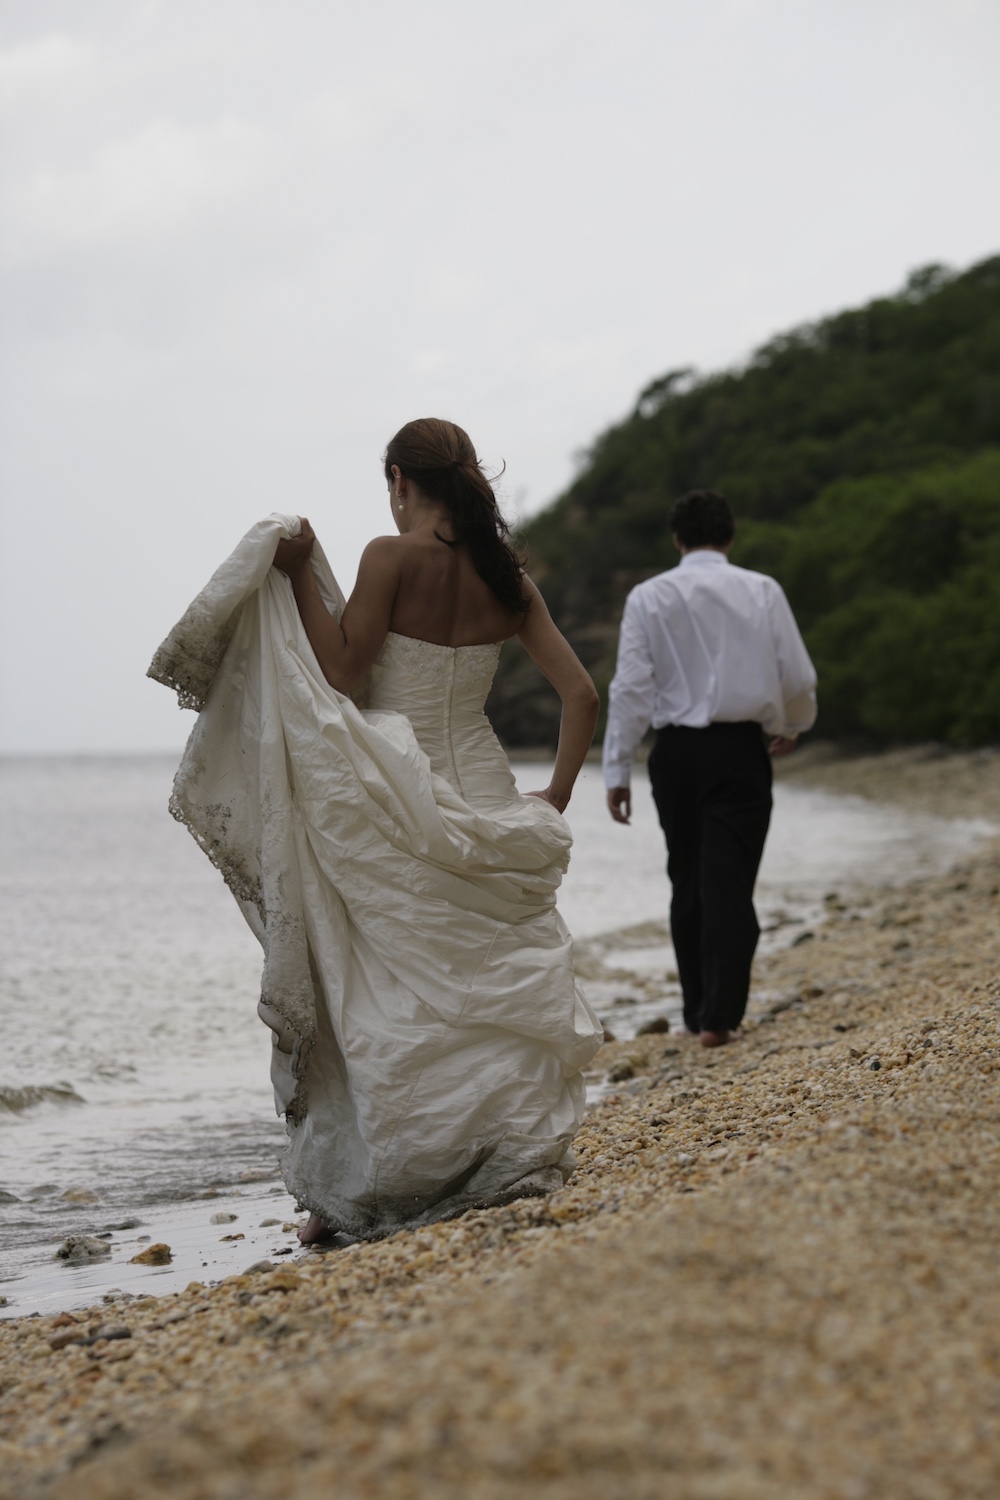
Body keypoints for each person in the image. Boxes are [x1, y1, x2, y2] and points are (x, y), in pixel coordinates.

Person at [150, 417, 603, 1247]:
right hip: (490, 790)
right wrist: (555, 800)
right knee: (485, 980)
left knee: (386, 989)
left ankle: (395, 1168)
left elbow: (343, 673)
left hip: (398, 794)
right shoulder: (510, 577)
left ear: (399, 478)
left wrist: (292, 580)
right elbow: (581, 697)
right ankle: (502, 1151)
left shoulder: (389, 557)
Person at [602, 489, 817, 1049]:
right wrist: (789, 725)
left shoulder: (648, 597)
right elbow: (794, 674)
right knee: (730, 878)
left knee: (688, 878)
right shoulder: (762, 590)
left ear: (677, 539)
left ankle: (698, 1010)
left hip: (674, 754)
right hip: (740, 750)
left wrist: (617, 769)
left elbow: (630, 687)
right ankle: (720, 1014)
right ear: (730, 534)